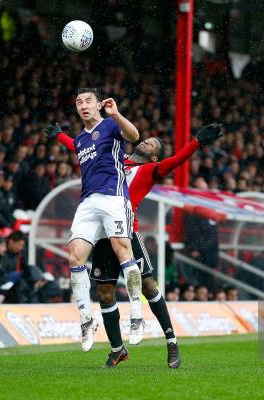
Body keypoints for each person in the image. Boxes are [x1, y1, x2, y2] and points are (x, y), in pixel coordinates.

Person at [53, 122, 223, 367]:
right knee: (104, 293)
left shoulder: (151, 169)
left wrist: (196, 142)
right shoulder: (115, 158)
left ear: (154, 155)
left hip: (126, 234)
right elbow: (83, 149)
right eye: (147, 138)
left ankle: (172, 341)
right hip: (100, 234)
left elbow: (176, 160)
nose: (146, 140)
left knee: (148, 287)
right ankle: (117, 349)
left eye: (152, 143)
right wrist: (60, 135)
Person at [45, 87, 140, 353]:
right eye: (79, 102)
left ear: (99, 105)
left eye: (88, 101)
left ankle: (136, 315)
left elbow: (134, 136)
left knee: (122, 248)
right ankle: (86, 320)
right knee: (74, 257)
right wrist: (59, 136)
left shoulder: (110, 125)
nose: (83, 105)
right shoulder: (81, 140)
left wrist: (117, 113)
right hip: (88, 202)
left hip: (113, 196)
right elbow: (75, 145)